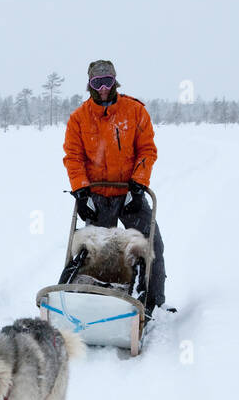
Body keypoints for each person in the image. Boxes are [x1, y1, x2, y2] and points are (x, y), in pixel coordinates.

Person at [62, 59, 167, 312]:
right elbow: (73, 157)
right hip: (96, 196)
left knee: (151, 245)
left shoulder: (134, 111)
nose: (103, 89)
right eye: (97, 83)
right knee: (94, 251)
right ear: (89, 84)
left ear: (115, 81)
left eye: (107, 82)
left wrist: (138, 184)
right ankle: (87, 300)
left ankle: (153, 303)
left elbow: (146, 150)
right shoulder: (79, 118)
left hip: (130, 194)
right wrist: (81, 191)